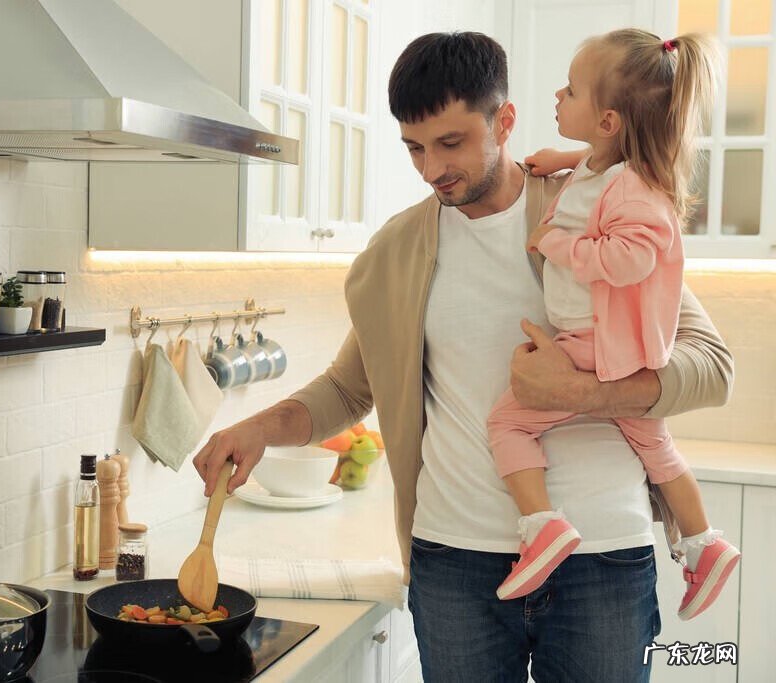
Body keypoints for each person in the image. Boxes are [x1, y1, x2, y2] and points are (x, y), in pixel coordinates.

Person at [193, 31, 733, 681]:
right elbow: (345, 388)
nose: (431, 169)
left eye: (451, 143)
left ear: (503, 121)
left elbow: (709, 364)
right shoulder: (394, 255)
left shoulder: (590, 204)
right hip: (454, 562)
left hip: (602, 556)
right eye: (415, 148)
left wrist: (581, 392)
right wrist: (257, 428)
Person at [486, 29, 740, 622]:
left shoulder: (639, 192)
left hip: (596, 346)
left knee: (508, 423)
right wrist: (563, 159)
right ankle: (704, 543)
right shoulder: (607, 164)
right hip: (608, 344)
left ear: (606, 120)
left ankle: (542, 526)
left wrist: (558, 242)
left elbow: (630, 258)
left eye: (570, 90)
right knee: (653, 443)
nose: (558, 93)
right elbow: (603, 168)